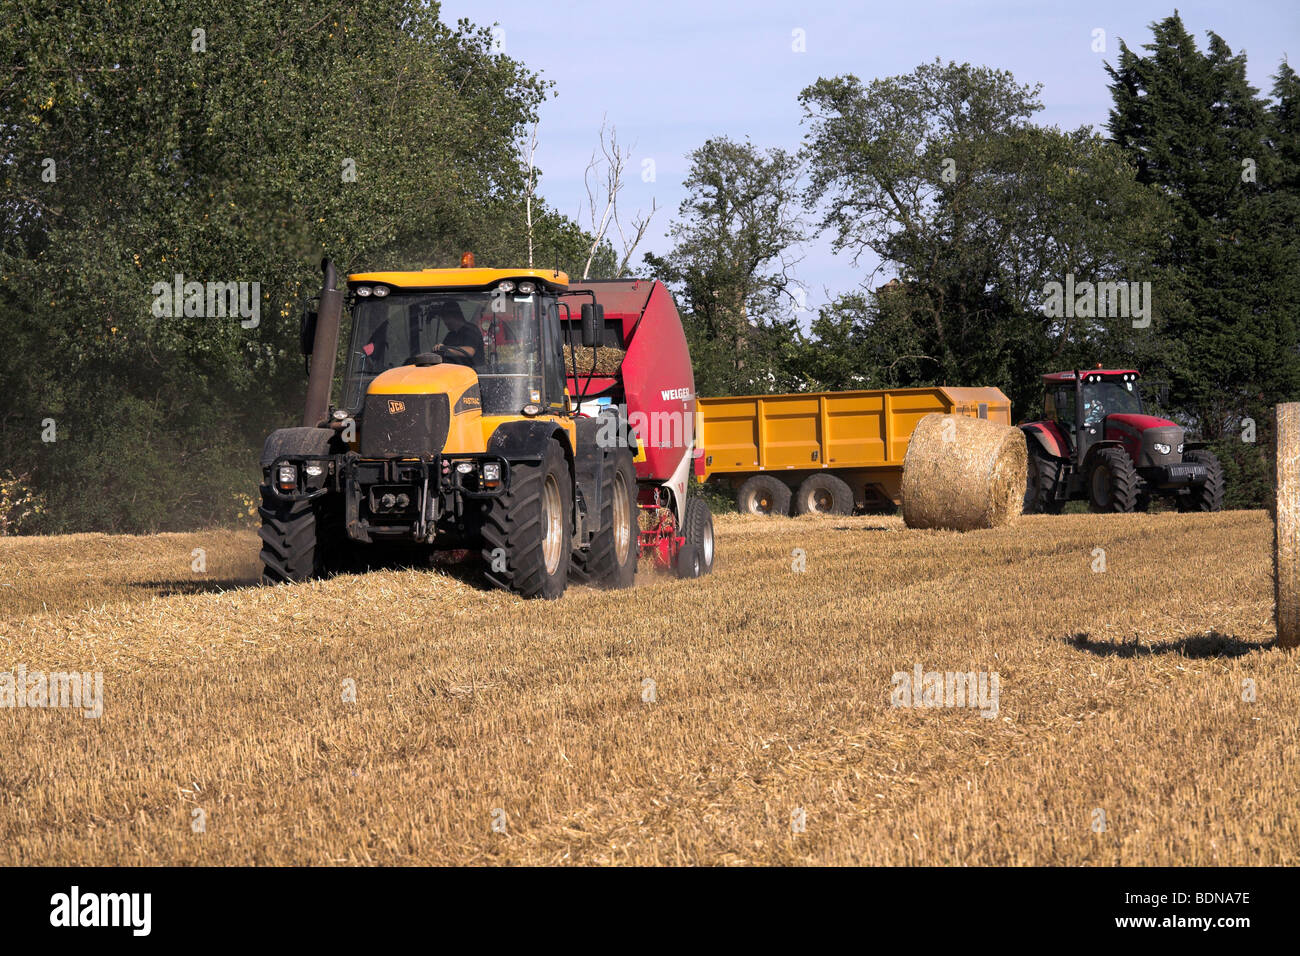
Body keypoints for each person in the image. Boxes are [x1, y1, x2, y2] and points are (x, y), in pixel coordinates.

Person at [430, 300, 483, 370]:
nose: (445, 323)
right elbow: (444, 352)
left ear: (453, 316)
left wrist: (446, 348)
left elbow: (470, 351)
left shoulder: (471, 330)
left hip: (473, 374)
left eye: (445, 318)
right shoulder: (450, 335)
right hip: (454, 373)